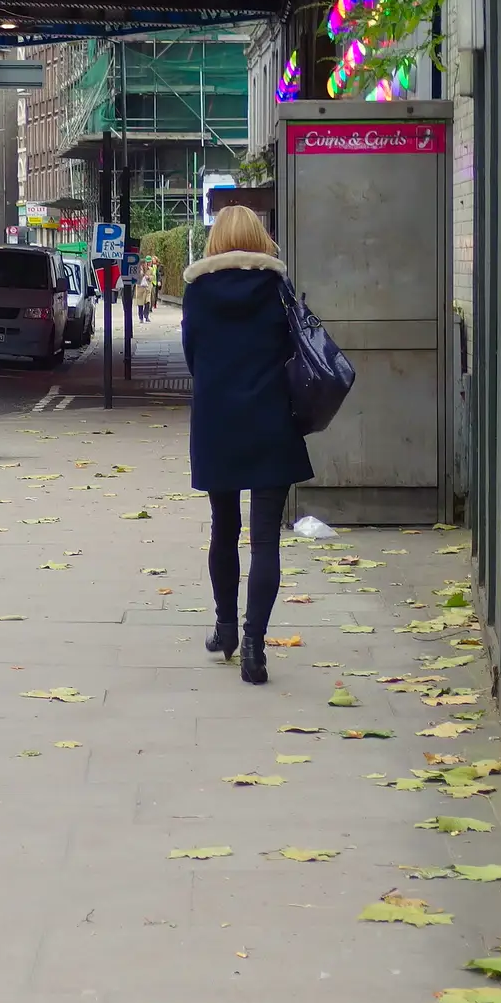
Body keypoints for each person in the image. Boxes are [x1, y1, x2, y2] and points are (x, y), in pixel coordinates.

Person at [181, 204, 314, 685]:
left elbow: (193, 356)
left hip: (218, 422)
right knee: (265, 541)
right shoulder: (276, 288)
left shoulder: (197, 292)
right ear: (261, 238)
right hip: (270, 419)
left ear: (215, 239)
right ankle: (255, 644)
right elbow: (294, 348)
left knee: (223, 528)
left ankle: (225, 628)